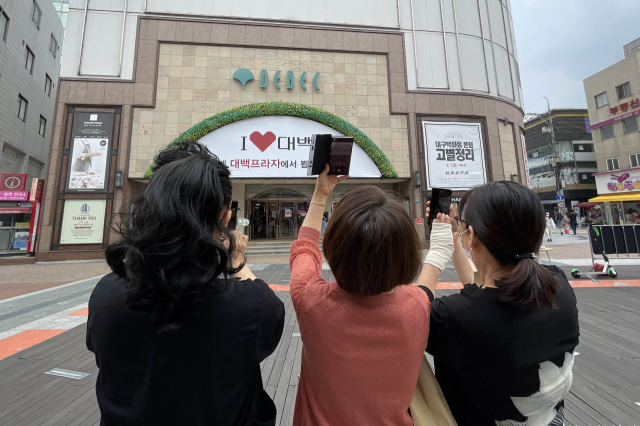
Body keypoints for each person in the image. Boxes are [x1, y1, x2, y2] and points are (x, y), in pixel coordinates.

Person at [87, 142, 285, 426]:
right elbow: (271, 317)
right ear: (225, 217)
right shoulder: (249, 305)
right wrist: (238, 260)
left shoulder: (106, 293)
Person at [289, 166, 453, 426]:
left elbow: (304, 251)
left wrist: (320, 195)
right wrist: (442, 242)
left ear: (334, 249)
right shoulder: (416, 307)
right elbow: (428, 280)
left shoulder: (311, 302)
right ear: (406, 256)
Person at [420, 181, 580, 426]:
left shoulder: (454, 319)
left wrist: (438, 253)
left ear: (471, 236)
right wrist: (456, 241)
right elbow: (481, 291)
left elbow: (409, 315)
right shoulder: (558, 286)